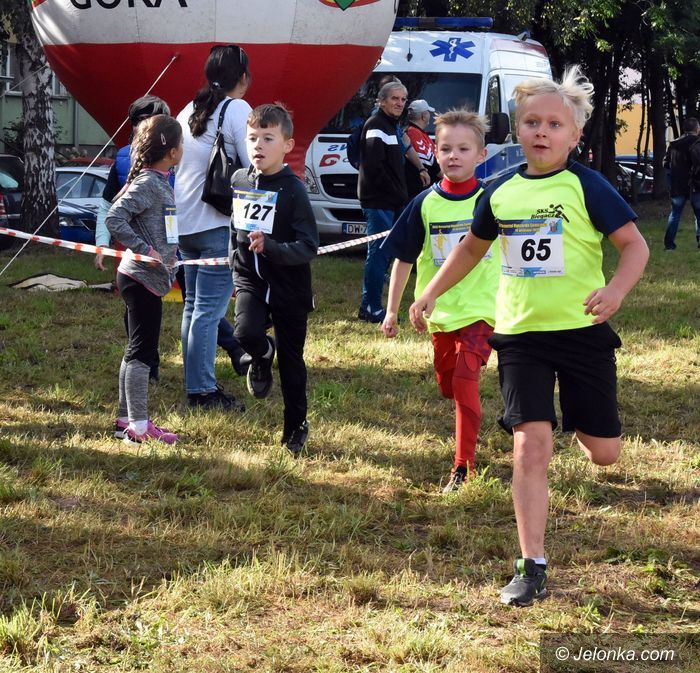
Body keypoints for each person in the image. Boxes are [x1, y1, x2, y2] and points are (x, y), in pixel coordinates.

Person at [409, 66, 649, 607]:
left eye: (554, 124)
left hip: (582, 332)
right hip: (520, 337)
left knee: (605, 453)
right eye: (532, 122)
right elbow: (470, 249)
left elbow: (635, 245)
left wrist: (615, 290)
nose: (542, 132)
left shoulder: (587, 185)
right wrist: (431, 294)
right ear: (516, 129)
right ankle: (531, 565)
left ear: (575, 135)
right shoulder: (499, 192)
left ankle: (582, 424)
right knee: (529, 445)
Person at [381, 110, 498, 492]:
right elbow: (403, 258)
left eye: (463, 149)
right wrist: (392, 310)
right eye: (446, 148)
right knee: (448, 384)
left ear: (481, 154)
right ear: (435, 151)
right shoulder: (424, 203)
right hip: (440, 312)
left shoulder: (492, 201)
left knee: (465, 380)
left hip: (482, 308)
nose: (453, 156)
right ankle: (464, 413)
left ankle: (463, 468)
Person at [95, 94, 246, 381]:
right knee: (191, 312)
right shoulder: (146, 168)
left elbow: (112, 206)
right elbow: (112, 211)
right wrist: (131, 247)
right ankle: (146, 374)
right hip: (148, 264)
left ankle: (151, 369)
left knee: (193, 306)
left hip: (170, 251)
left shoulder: (154, 165)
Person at [230, 104, 319, 456]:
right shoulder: (240, 180)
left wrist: (272, 247)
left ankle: (295, 427)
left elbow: (308, 246)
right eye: (252, 138)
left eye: (268, 138)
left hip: (289, 288)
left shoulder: (293, 190)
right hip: (250, 280)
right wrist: (236, 269)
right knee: (244, 333)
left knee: (292, 363)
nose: (258, 145)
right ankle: (263, 354)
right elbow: (235, 231)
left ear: (287, 145)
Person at [176, 44, 251, 411]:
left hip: (185, 222)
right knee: (207, 312)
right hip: (218, 221)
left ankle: (197, 385)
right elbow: (254, 166)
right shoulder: (237, 109)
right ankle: (203, 391)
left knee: (194, 308)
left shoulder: (187, 110)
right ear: (244, 77)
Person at [105, 114, 183, 445]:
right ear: (173, 152)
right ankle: (138, 428)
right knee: (142, 353)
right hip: (140, 278)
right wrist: (146, 250)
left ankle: (126, 419)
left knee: (136, 350)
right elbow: (114, 218)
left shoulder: (158, 181)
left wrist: (170, 255)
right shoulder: (149, 183)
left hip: (146, 277)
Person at [357, 81, 429, 323]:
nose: (399, 103)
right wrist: (396, 192)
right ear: (381, 101)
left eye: (403, 99)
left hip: (393, 201)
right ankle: (370, 307)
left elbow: (405, 150)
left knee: (388, 253)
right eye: (394, 98)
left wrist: (420, 169)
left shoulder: (392, 125)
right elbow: (374, 167)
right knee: (378, 254)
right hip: (379, 201)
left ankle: (375, 301)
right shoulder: (376, 125)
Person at [663, 117, 700, 250]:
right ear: (696, 128)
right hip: (696, 184)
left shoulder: (674, 144)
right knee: (699, 214)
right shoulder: (697, 143)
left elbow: (665, 163)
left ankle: (669, 244)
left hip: (678, 185)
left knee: (675, 214)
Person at [404, 99, 441, 199]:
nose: (430, 115)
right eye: (428, 112)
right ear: (423, 116)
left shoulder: (417, 132)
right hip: (417, 192)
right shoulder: (413, 133)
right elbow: (430, 163)